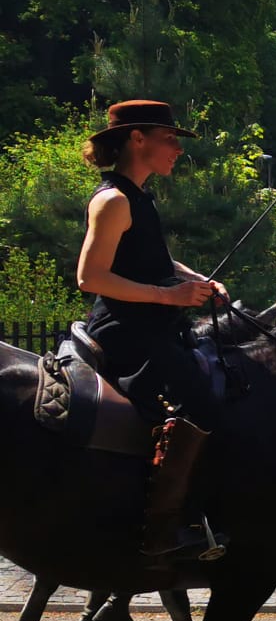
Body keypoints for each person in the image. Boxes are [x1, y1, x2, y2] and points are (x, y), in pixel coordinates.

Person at [76, 100, 229, 560]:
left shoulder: (140, 197)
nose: (177, 150)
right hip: (124, 333)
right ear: (137, 139)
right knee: (199, 400)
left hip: (150, 327)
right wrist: (169, 296)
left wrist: (194, 281)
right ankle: (167, 530)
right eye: (170, 139)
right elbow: (91, 277)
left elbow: (157, 264)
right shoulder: (113, 200)